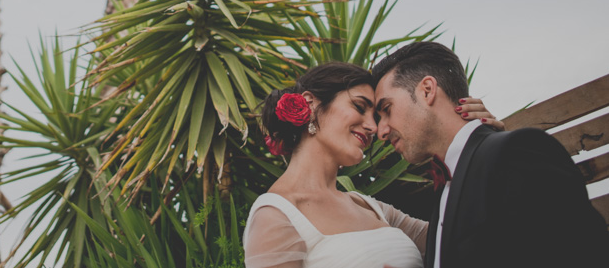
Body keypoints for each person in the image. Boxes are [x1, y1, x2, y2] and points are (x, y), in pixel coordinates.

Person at [372, 41, 608, 268]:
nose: (381, 131)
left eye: (386, 109)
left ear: (427, 90)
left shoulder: (518, 152)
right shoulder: (443, 190)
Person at [242, 61, 501, 268]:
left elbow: (463, 239)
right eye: (359, 106)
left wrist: (483, 146)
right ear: (311, 103)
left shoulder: (372, 208)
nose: (374, 127)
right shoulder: (275, 216)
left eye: (376, 115)